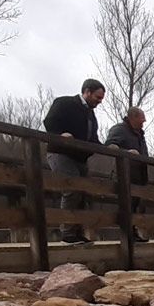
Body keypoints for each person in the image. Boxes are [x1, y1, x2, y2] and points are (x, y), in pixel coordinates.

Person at [43, 79, 104, 244]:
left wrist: (107, 148)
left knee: (83, 193)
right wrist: (60, 134)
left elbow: (93, 139)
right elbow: (49, 121)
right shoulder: (65, 103)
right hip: (60, 153)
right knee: (71, 188)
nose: (99, 102)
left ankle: (77, 231)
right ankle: (67, 232)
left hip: (80, 157)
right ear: (87, 92)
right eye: (97, 97)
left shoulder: (91, 115)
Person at [105, 107, 149, 241]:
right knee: (126, 205)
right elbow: (110, 146)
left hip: (139, 174)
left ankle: (132, 232)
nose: (144, 121)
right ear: (133, 117)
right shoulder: (119, 129)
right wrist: (127, 152)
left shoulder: (140, 134)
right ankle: (126, 235)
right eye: (142, 118)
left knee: (135, 205)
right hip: (124, 173)